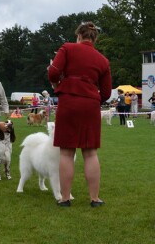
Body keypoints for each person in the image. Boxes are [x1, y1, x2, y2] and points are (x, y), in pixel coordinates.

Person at [48, 21, 112, 207]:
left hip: (68, 102)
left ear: (79, 36)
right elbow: (107, 93)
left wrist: (58, 83)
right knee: (90, 153)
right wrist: (92, 99)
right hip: (91, 105)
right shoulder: (103, 60)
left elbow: (53, 72)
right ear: (94, 39)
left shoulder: (67, 48)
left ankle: (65, 198)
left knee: (67, 153)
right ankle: (95, 198)